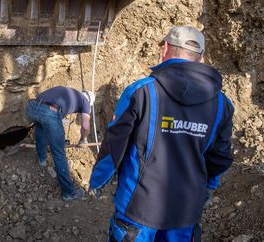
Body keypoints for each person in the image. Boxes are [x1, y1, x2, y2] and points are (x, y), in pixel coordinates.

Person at [89, 26, 234, 241]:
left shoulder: (142, 91)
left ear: (165, 48)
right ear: (201, 57)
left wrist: (98, 180)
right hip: (186, 211)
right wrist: (207, 187)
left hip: (138, 208)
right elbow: (220, 156)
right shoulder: (222, 104)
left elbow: (115, 143)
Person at [27, 86, 95, 201]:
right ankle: (69, 193)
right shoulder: (85, 102)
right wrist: (83, 140)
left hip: (32, 107)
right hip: (49, 111)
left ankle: (42, 160)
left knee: (41, 128)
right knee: (59, 153)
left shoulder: (71, 93)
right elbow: (85, 127)